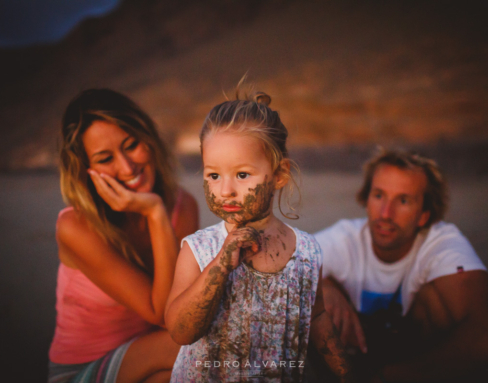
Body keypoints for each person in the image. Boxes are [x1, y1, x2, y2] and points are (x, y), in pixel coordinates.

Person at [164, 90, 355, 382]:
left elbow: (316, 319)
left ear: (279, 175)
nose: (225, 190)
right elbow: (180, 331)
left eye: (242, 175)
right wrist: (219, 267)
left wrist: (347, 374)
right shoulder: (200, 249)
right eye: (213, 175)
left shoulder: (306, 250)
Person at [48, 88, 199, 383]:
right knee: (193, 348)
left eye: (131, 145)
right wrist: (155, 213)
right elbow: (163, 314)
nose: (127, 167)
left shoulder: (183, 206)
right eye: (105, 159)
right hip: (81, 371)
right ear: (85, 170)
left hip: (155, 358)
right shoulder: (75, 227)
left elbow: (184, 304)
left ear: (149, 139)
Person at [315, 148, 488, 382]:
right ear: (366, 198)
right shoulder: (346, 237)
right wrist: (322, 287)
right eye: (379, 195)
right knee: (310, 289)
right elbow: (273, 269)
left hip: (416, 364)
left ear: (424, 215)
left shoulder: (442, 243)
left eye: (403, 200)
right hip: (350, 361)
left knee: (437, 300)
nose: (385, 213)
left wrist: (385, 378)